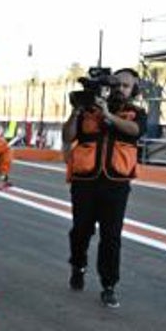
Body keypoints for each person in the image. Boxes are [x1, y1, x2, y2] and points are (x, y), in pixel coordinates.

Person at [62, 67, 147, 308]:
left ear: (134, 90)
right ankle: (77, 266)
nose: (120, 89)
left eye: (126, 86)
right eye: (116, 84)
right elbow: (68, 137)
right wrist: (76, 111)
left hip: (116, 185)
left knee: (111, 237)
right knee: (80, 231)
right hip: (85, 182)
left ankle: (109, 285)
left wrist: (109, 115)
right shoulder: (87, 110)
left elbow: (136, 131)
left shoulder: (136, 113)